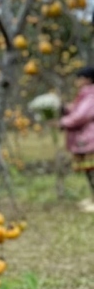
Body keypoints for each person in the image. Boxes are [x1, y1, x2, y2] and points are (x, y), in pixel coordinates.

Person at [60, 63, 94, 209]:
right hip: (86, 139)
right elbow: (77, 110)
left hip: (90, 137)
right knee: (89, 170)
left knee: (92, 170)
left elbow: (81, 116)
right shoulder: (84, 94)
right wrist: (65, 109)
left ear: (88, 79)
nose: (77, 82)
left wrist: (62, 122)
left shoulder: (91, 94)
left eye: (79, 78)